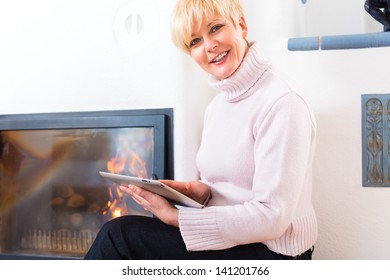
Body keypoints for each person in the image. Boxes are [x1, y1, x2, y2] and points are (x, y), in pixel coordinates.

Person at [84, 0, 317, 260]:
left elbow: (272, 217)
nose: (208, 46)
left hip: (274, 254)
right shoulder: (216, 106)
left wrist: (175, 217)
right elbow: (232, 187)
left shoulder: (282, 102)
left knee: (118, 236)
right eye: (195, 42)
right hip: (230, 242)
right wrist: (201, 192)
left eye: (215, 28)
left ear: (241, 25)